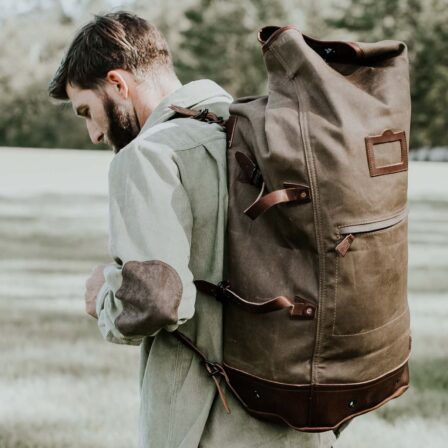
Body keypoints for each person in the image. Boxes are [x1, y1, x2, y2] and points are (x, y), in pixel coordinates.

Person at [49, 11, 337, 448]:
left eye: (87, 111)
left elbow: (157, 300)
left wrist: (103, 300)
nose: (92, 133)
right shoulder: (259, 131)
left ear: (117, 83)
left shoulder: (146, 156)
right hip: (301, 418)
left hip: (211, 427)